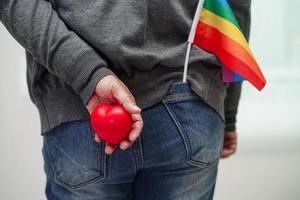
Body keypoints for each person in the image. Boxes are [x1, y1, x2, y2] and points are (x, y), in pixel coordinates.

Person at [0, 0, 249, 199]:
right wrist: (227, 110)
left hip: (79, 109)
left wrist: (85, 73)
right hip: (190, 104)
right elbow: (237, 8)